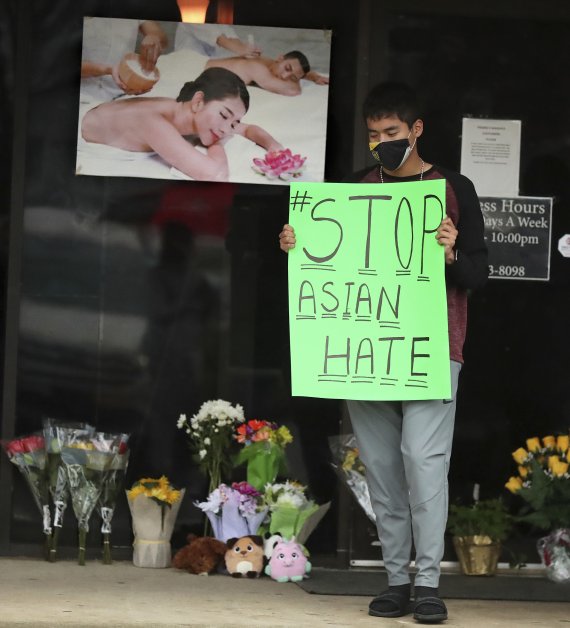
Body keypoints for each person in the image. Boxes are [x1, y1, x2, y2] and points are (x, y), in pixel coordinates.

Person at [279, 82, 488, 623]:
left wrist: (452, 251)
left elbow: (478, 275)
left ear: (416, 131)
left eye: (391, 133)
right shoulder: (356, 187)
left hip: (433, 347)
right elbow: (332, 259)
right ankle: (397, 579)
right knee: (380, 467)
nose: (381, 144)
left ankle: (428, 583)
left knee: (423, 459)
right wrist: (296, 245)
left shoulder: (453, 187)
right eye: (374, 135)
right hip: (365, 347)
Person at [80, 67, 283, 182]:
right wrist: (217, 144)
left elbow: (247, 128)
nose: (226, 129)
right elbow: (215, 175)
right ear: (198, 101)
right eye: (224, 115)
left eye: (233, 122)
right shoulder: (154, 121)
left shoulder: (186, 112)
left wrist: (275, 147)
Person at [81, 18, 169, 100]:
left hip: (123, 93)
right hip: (84, 93)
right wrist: (106, 69)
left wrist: (154, 37)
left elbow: (161, 36)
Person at [206, 50, 329, 97]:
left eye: (292, 77)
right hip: (196, 69)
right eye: (287, 68)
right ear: (280, 58)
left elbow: (297, 71)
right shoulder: (258, 68)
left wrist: (315, 77)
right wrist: (295, 80)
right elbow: (294, 91)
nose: (284, 77)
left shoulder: (271, 63)